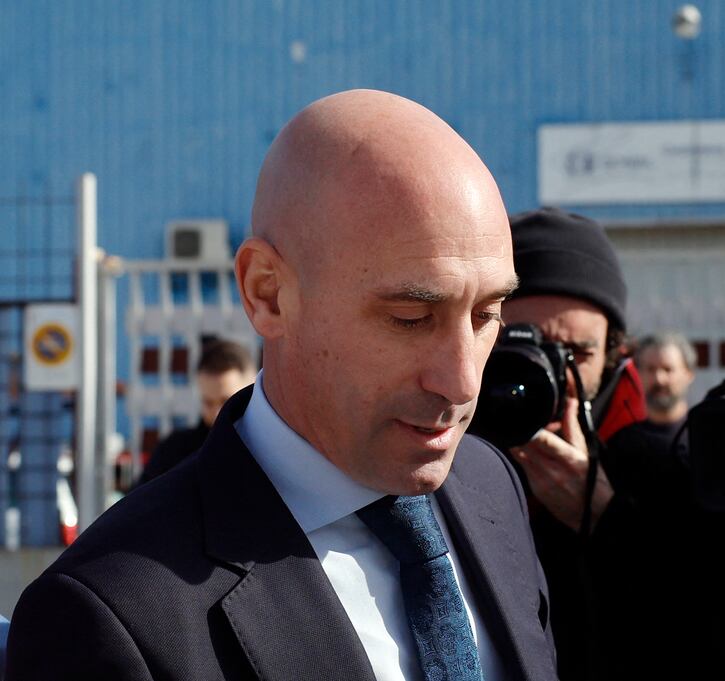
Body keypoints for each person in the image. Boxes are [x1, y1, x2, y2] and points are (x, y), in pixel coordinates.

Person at [6, 90, 557, 680]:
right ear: (266, 292)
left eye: (486, 315)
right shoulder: (113, 615)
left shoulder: (491, 488)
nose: (462, 380)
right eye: (410, 318)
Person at [498, 207, 699, 680]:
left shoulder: (666, 474)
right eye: (525, 344)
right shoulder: (431, 461)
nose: (551, 372)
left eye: (576, 354)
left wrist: (606, 518)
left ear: (612, 356)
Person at [137, 338, 256, 485]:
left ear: (252, 390)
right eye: (208, 402)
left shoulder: (268, 450)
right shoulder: (175, 453)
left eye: (226, 401)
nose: (217, 413)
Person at [633, 332, 696, 445]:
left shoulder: (708, 439)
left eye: (668, 369)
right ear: (638, 374)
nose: (659, 379)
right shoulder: (622, 445)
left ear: (689, 375)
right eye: (650, 369)